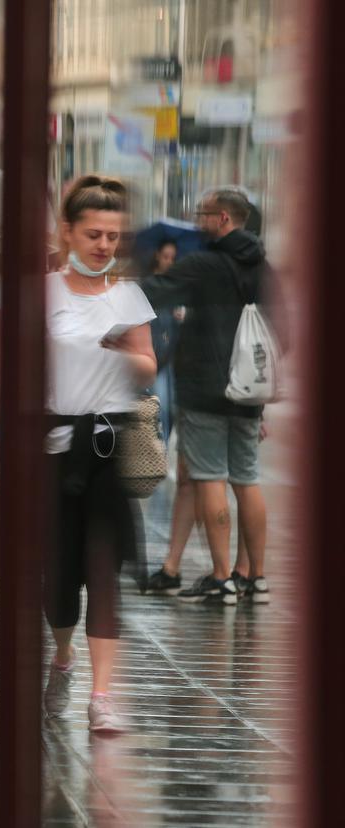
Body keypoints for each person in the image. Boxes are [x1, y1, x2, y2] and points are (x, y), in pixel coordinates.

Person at [43, 176, 157, 734]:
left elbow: (149, 367)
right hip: (56, 449)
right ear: (68, 232)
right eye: (94, 234)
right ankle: (63, 656)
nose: (105, 245)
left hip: (110, 446)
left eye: (113, 236)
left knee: (104, 573)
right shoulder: (43, 293)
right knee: (58, 578)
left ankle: (103, 694)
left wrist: (124, 351)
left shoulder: (129, 296)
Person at [138, 189, 284, 605]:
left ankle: (222, 578)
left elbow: (155, 291)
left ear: (222, 218)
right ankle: (255, 578)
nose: (197, 221)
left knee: (209, 478)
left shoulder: (203, 264)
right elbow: (284, 332)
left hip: (206, 391)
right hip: (250, 392)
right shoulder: (264, 268)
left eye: (202, 214)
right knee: (248, 479)